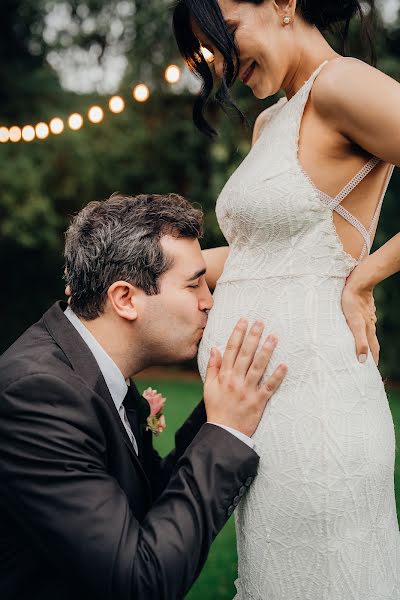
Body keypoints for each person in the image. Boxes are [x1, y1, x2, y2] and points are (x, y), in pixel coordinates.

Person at [173, 0, 400, 597]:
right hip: (260, 423)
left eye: (227, 35)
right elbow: (256, 261)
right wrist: (138, 268)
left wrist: (365, 276)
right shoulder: (270, 124)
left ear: (281, 4)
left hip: (319, 410)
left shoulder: (342, 85)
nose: (220, 63)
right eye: (208, 51)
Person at [0, 193, 287, 600]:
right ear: (125, 299)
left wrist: (219, 411)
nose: (208, 301)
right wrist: (225, 433)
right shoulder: (38, 395)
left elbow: (147, 503)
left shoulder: (85, 363)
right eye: (194, 285)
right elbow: (140, 582)